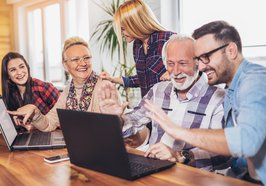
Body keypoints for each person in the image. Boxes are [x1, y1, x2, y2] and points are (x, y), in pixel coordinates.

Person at [144, 21, 266, 185]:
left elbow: (247, 141)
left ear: (231, 50)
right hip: (240, 177)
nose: (200, 66)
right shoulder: (231, 89)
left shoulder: (254, 80)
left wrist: (178, 131)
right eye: (199, 59)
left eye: (206, 57)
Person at [98, 35, 229, 171]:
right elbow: (135, 120)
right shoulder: (158, 90)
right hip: (153, 171)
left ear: (198, 63)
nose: (176, 71)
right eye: (171, 64)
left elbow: (224, 154)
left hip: (193, 178)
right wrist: (114, 119)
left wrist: (181, 156)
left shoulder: (219, 99)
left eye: (183, 63)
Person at [7, 37, 112, 132]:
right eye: (75, 59)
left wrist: (117, 119)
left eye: (87, 58)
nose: (83, 63)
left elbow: (113, 128)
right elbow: (49, 124)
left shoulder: (105, 85)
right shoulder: (68, 92)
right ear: (65, 66)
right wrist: (36, 113)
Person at [100, 0, 175, 98]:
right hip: (148, 106)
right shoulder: (137, 46)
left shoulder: (168, 39)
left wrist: (173, 73)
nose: (121, 33)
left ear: (135, 24)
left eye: (123, 29)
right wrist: (113, 79)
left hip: (169, 107)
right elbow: (143, 79)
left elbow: (193, 66)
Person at [1, 52, 60, 130]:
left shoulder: (44, 88)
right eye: (13, 70)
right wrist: (21, 125)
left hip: (53, 135)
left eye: (22, 67)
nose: (19, 72)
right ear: (8, 75)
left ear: (27, 68)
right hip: (31, 137)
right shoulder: (10, 94)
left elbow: (65, 118)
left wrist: (36, 126)